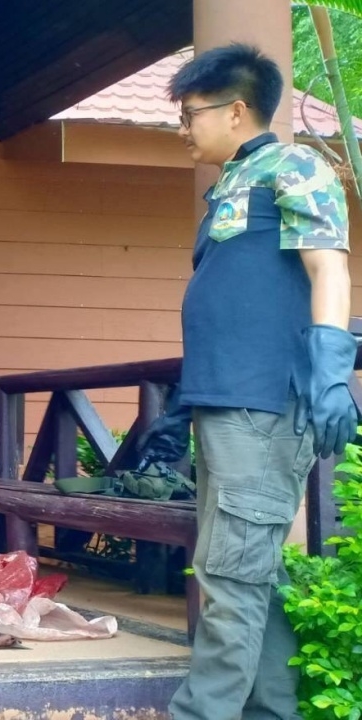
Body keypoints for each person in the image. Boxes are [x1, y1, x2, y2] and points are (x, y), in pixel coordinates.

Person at [135, 44, 354, 720]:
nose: (183, 128)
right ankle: (272, 711)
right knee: (253, 569)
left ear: (235, 111)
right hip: (227, 401)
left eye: (190, 114)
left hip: (264, 404)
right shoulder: (236, 181)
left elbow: (329, 267)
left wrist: (331, 372)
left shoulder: (294, 166)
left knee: (230, 575)